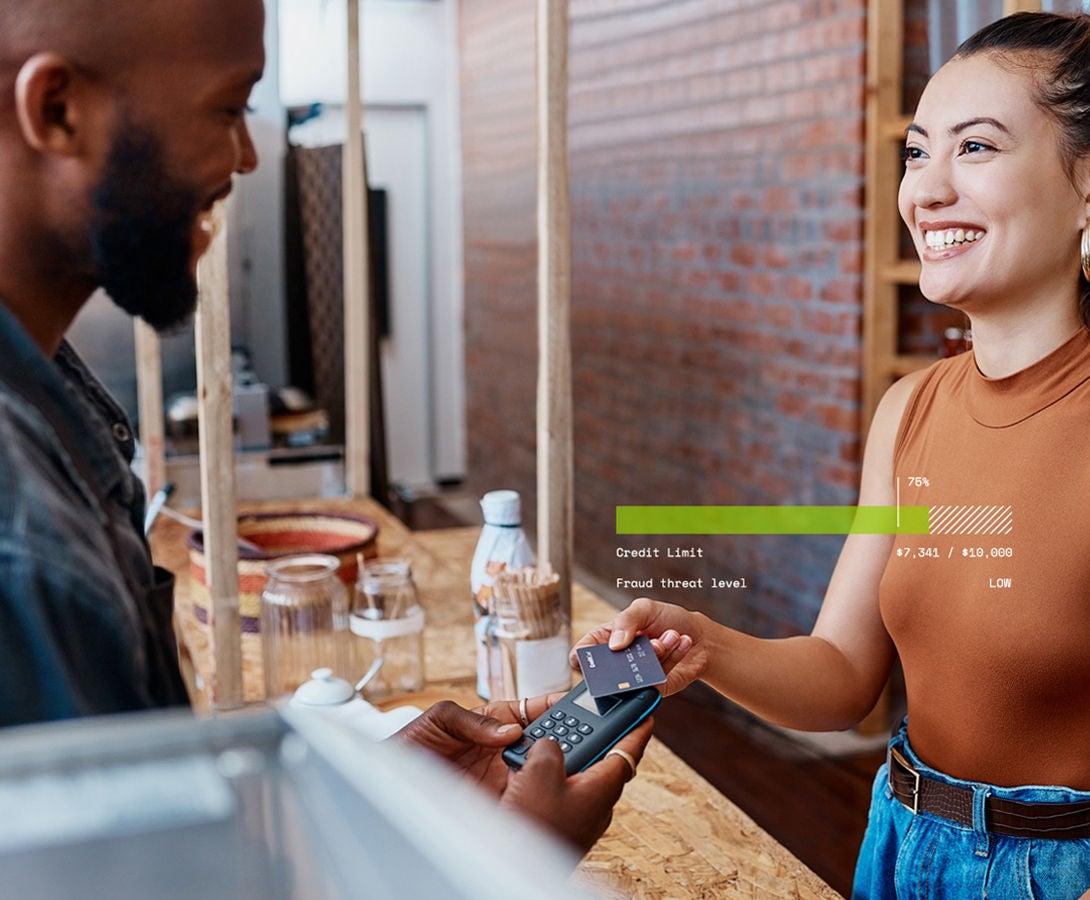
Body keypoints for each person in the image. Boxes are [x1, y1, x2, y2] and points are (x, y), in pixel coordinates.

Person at [578, 10, 1090, 897]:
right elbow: (842, 677)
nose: (926, 190)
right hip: (897, 841)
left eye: (977, 149)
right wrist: (705, 646)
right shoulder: (908, 411)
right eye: (918, 153)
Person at [0, 0, 648, 855]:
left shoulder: (63, 415)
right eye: (229, 108)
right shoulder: (25, 545)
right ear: (56, 110)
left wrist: (374, 794)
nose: (246, 155)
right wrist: (500, 863)